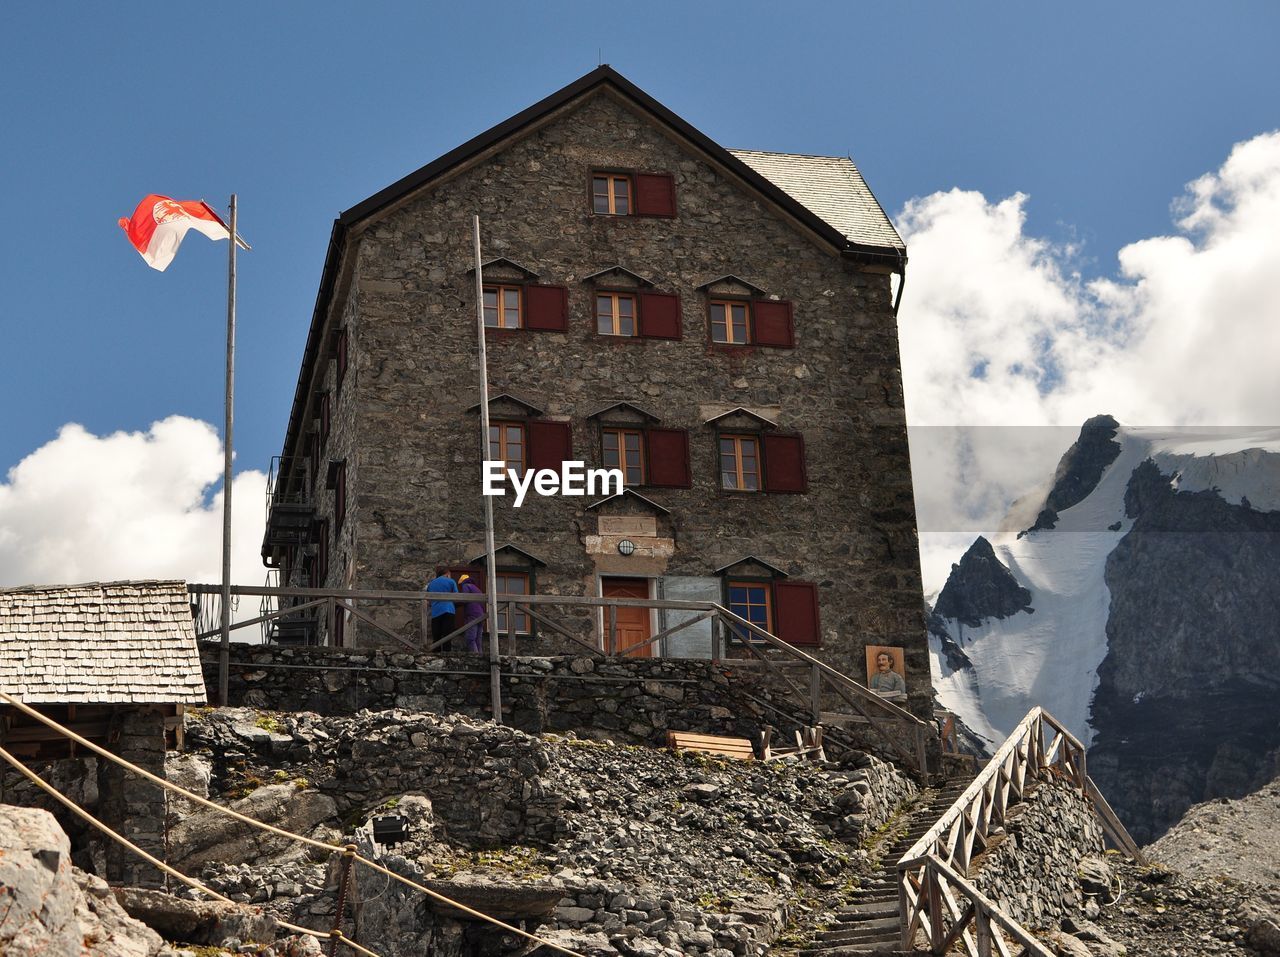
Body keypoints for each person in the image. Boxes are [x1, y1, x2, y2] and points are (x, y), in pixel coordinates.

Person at [424, 571, 458, 650]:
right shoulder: (451, 581)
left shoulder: (431, 584)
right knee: (447, 635)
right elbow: (456, 596)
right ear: (447, 574)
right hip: (449, 609)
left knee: (436, 635)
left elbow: (428, 600)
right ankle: (447, 653)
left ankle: (436, 653)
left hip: (436, 611)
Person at [457, 574, 485, 654]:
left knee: (470, 638)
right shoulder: (477, 588)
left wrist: (455, 604)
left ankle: (475, 656)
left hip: (472, 613)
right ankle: (480, 655)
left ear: (462, 582)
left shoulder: (466, 586)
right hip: (481, 614)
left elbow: (464, 599)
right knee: (478, 639)